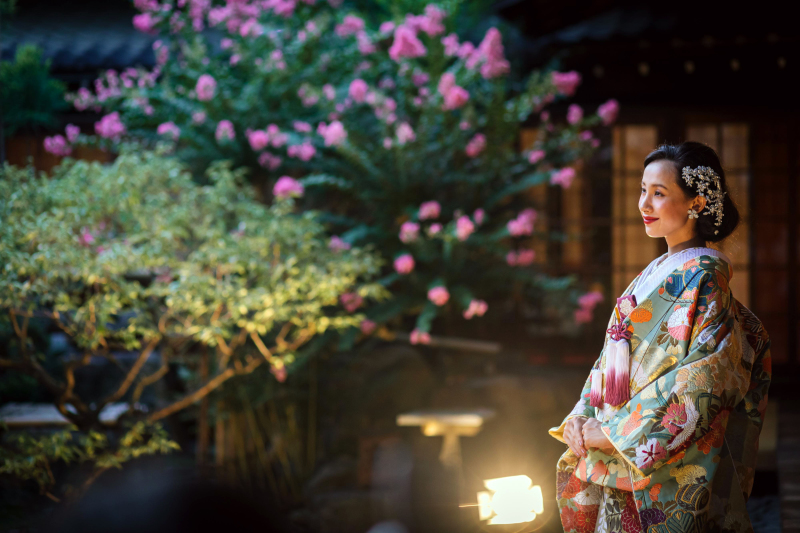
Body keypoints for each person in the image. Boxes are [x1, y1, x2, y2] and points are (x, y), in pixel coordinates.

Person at [549, 142, 772, 533]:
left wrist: (619, 433)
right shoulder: (653, 273)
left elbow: (707, 377)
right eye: (642, 190)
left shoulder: (706, 278)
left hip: (649, 462)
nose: (644, 204)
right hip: (615, 451)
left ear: (696, 203)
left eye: (659, 193)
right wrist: (582, 415)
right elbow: (611, 360)